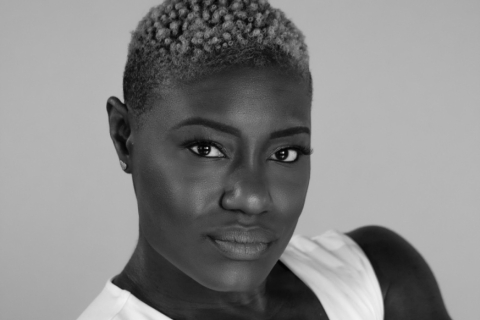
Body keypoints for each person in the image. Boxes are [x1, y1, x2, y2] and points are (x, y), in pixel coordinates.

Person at [78, 0, 451, 319]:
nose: (253, 198)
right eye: (206, 149)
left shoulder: (379, 279)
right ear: (125, 136)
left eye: (284, 153)